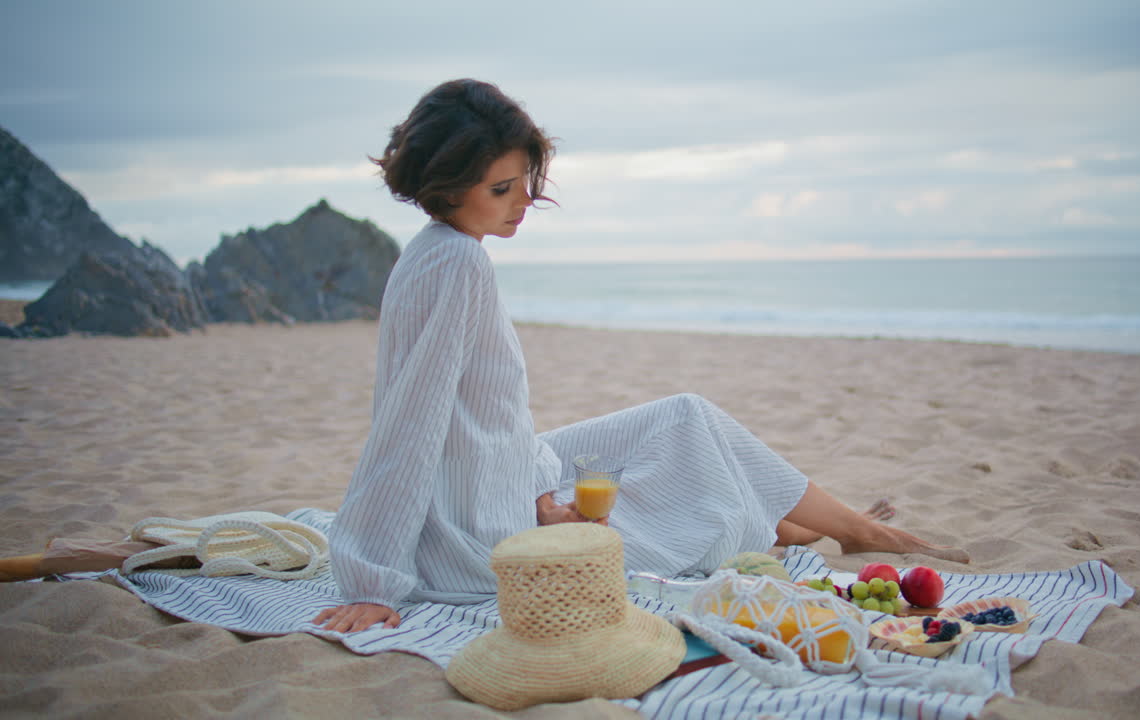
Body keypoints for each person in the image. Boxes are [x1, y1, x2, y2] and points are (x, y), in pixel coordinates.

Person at [309, 79, 968, 635]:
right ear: (446, 185)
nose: (524, 203)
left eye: (524, 183)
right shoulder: (457, 264)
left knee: (682, 419)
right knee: (686, 462)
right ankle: (840, 529)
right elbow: (410, 426)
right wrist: (376, 580)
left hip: (496, 480)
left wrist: (539, 489)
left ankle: (824, 525)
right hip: (479, 537)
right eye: (503, 189)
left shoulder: (435, 249)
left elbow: (491, 414)